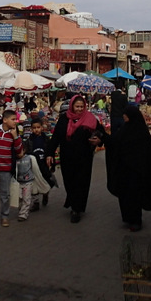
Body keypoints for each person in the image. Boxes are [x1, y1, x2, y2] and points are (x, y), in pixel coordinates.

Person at [46, 95, 105, 223]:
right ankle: (73, 202)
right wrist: (49, 153)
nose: (79, 109)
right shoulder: (64, 119)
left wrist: (98, 140)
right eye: (77, 106)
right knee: (69, 181)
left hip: (84, 157)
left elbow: (101, 132)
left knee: (81, 182)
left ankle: (76, 209)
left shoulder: (90, 118)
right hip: (67, 157)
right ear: (72, 106)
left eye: (81, 107)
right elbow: (56, 137)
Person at [105, 105, 151, 232]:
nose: (123, 116)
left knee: (134, 196)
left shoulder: (141, 133)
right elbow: (115, 143)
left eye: (125, 114)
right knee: (125, 195)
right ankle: (128, 217)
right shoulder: (126, 130)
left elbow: (145, 154)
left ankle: (136, 220)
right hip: (125, 171)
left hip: (137, 172)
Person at [28, 117, 55, 210]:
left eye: (38, 127)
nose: (36, 129)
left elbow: (50, 152)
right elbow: (27, 151)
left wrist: (52, 165)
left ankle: (45, 194)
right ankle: (36, 203)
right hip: (34, 165)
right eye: (34, 128)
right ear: (31, 129)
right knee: (33, 183)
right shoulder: (30, 140)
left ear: (42, 128)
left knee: (45, 180)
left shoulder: (46, 139)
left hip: (44, 164)